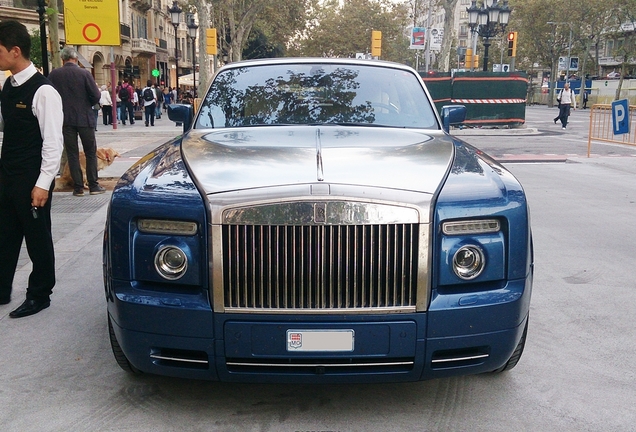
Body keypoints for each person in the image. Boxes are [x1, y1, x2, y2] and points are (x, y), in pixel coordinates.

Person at [0, 20, 64, 318]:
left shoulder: (44, 91)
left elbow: (53, 143)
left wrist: (43, 184)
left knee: (37, 237)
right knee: (5, 234)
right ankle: (2, 289)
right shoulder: (8, 86)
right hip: (7, 174)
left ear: (15, 51)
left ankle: (40, 294)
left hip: (32, 178)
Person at [48, 46, 105, 196]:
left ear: (63, 59)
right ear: (75, 58)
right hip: (84, 117)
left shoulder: (54, 75)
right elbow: (96, 95)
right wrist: (89, 103)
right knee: (90, 152)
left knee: (72, 153)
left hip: (65, 119)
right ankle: (93, 185)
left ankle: (78, 187)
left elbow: (49, 94)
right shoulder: (84, 74)